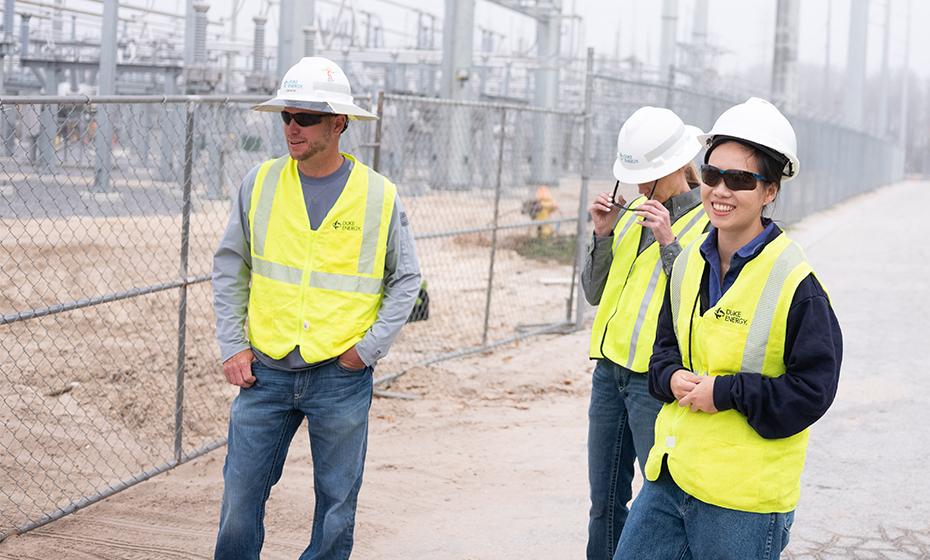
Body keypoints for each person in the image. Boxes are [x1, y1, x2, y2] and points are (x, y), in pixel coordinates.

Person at [211, 56, 421, 560]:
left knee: (336, 506)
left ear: (338, 122)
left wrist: (367, 351)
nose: (291, 127)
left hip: (340, 375)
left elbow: (407, 278)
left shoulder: (378, 196)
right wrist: (233, 344)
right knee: (239, 501)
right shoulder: (259, 183)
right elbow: (229, 266)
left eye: (304, 117)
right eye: (286, 116)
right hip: (266, 371)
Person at [614, 98, 843, 559]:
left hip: (744, 499)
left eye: (740, 179)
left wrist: (727, 393)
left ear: (770, 190)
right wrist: (670, 377)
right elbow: (663, 353)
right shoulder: (686, 264)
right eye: (713, 174)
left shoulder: (797, 284)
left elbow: (812, 391)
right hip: (672, 476)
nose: (720, 189)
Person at [582, 106, 709, 560]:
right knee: (604, 505)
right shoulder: (631, 211)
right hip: (608, 376)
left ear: (675, 166)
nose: (638, 189)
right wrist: (601, 234)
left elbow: (698, 306)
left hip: (653, 386)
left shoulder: (704, 225)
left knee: (662, 505)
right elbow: (594, 292)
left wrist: (668, 244)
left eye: (648, 177)